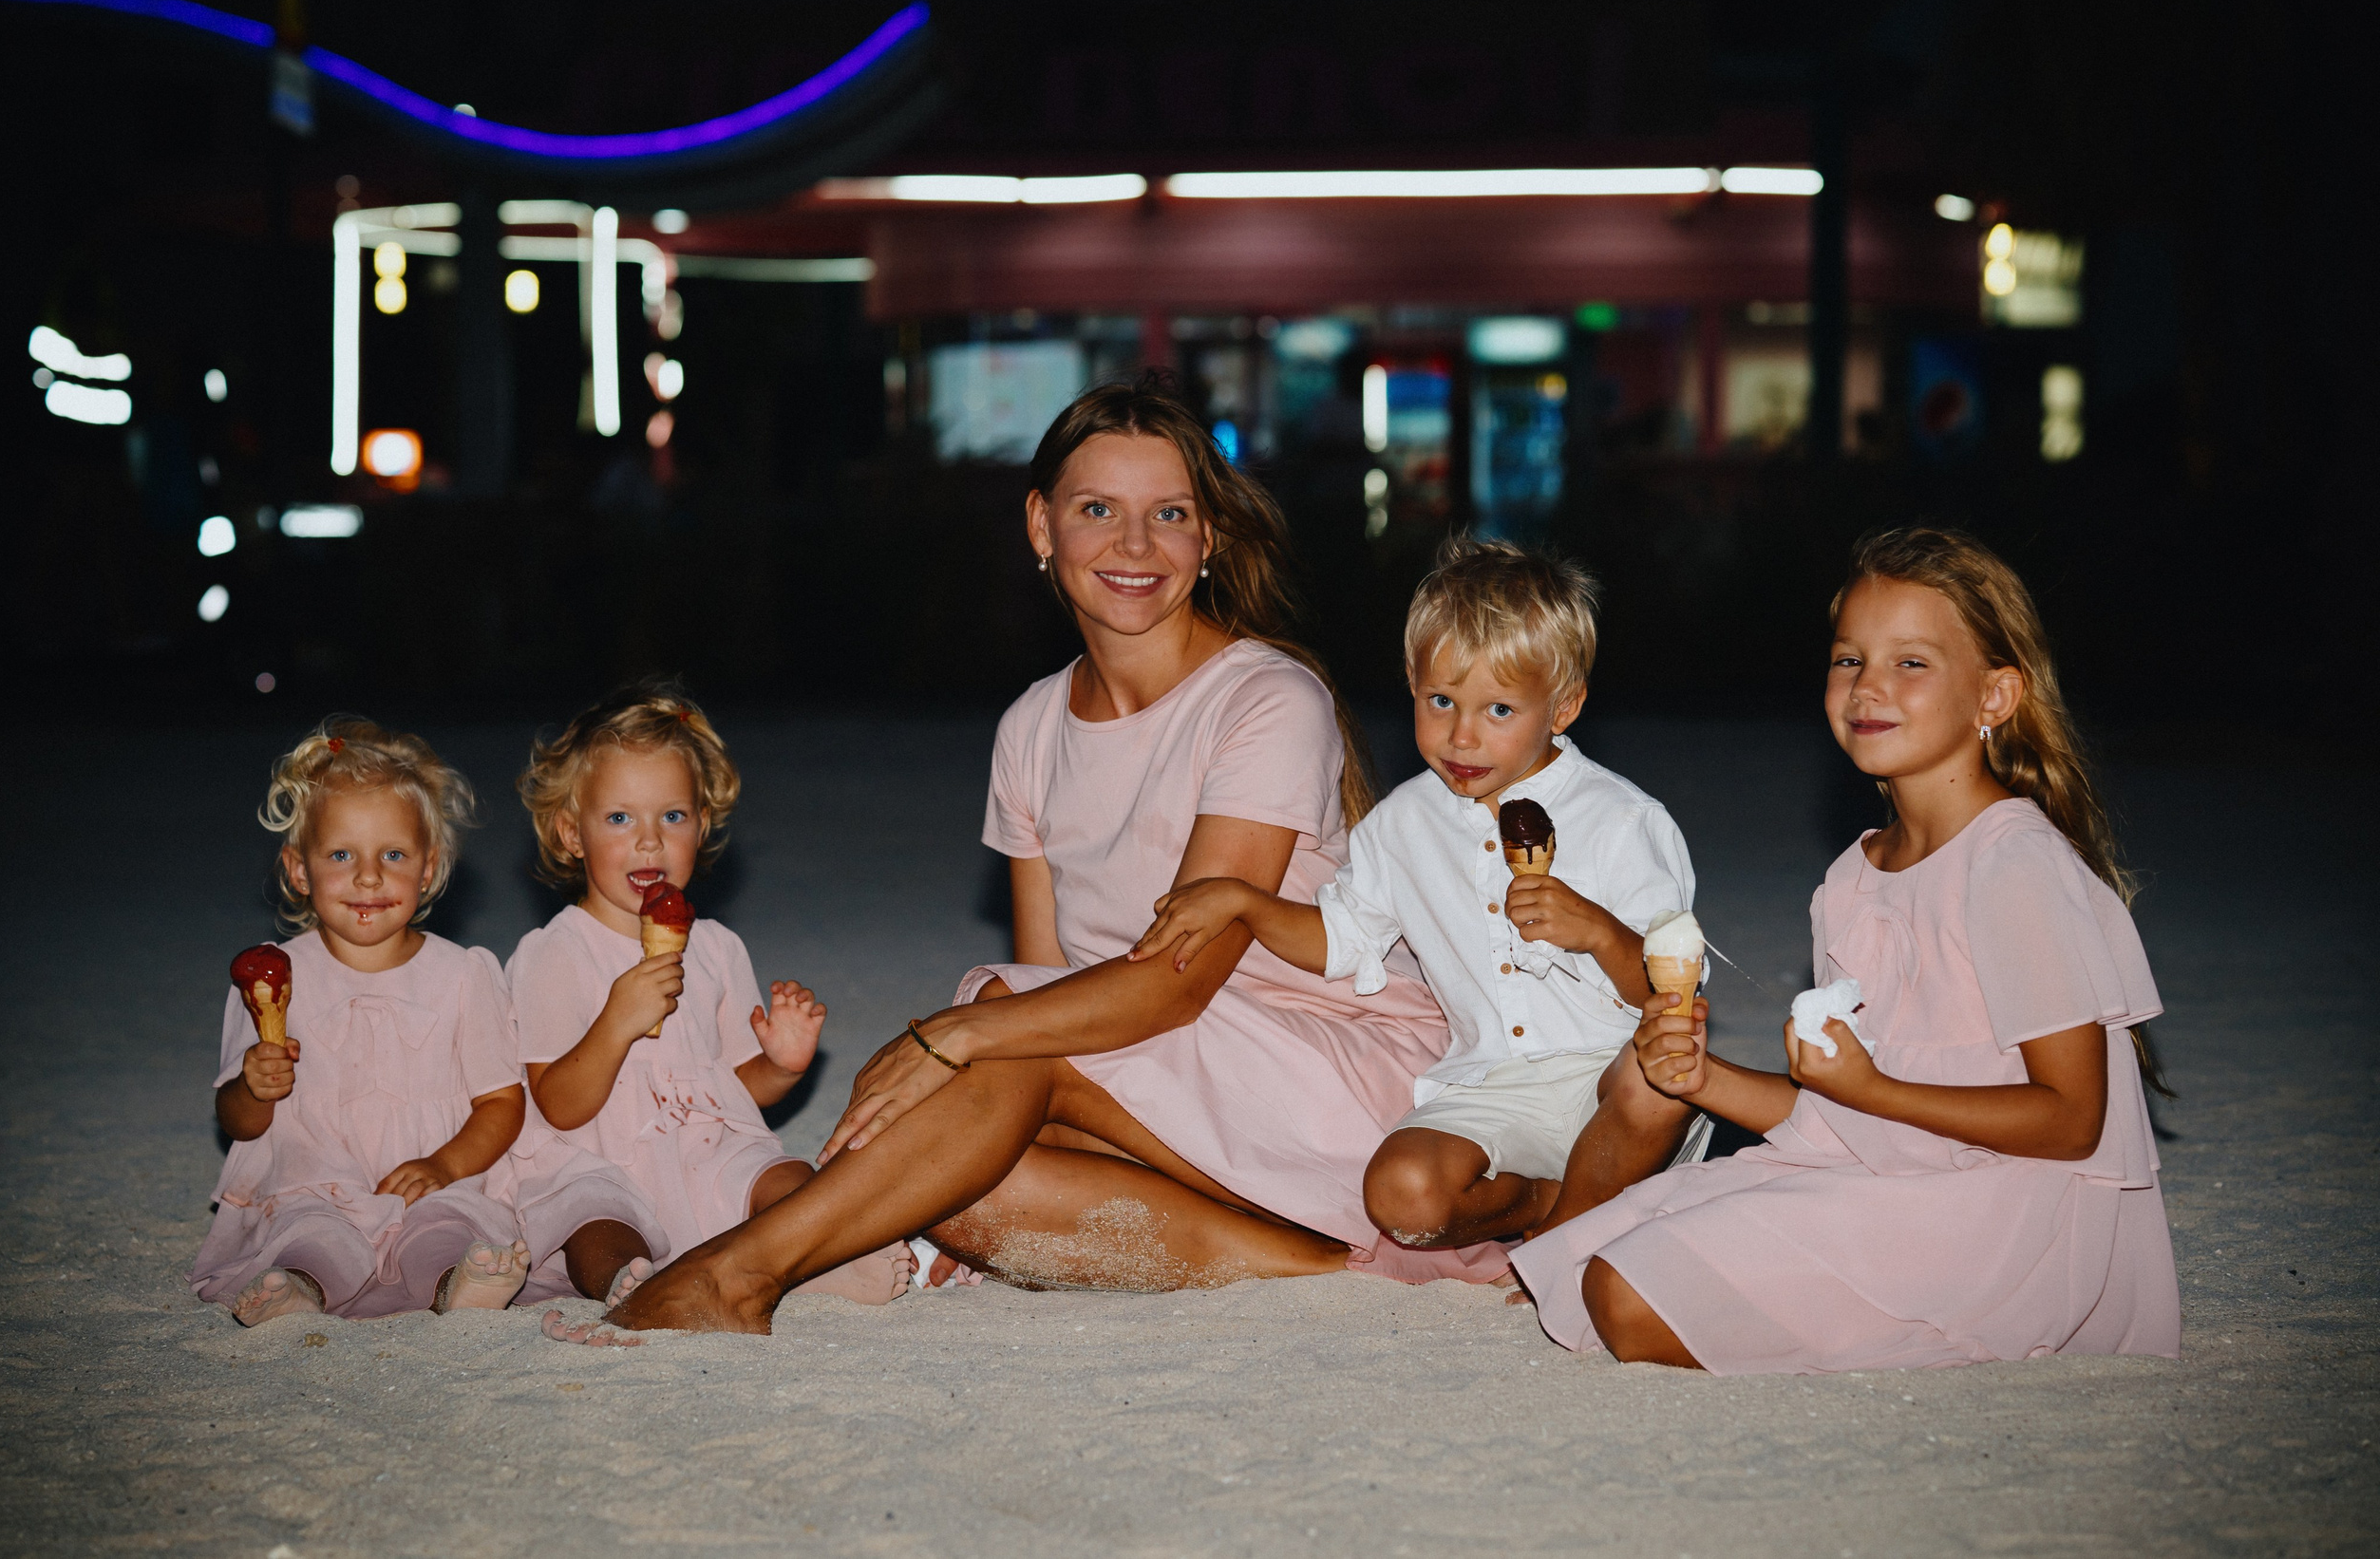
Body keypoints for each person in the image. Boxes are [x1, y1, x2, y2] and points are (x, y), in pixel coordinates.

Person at [566, 376, 1509, 1341]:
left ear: (1208, 539)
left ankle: (733, 1279)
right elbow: (1054, 976)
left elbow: (1169, 989)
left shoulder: (1267, 701)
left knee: (981, 1043)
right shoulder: (1028, 727)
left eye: (1169, 515)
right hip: (1162, 1082)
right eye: (1097, 509)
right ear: (1041, 526)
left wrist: (956, 1036)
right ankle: (1328, 1261)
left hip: (1338, 1080)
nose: (1134, 546)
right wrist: (972, 1061)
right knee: (948, 1181)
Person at [1507, 525, 2181, 1372]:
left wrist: (1876, 1087)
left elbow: (2076, 1121)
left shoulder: (2013, 863)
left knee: (1627, 1296)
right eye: (1848, 659)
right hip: (1899, 1176)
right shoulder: (1853, 879)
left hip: (2011, 1213)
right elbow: (1836, 1115)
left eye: (1912, 663)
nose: (1869, 687)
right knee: (1599, 1258)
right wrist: (1702, 1078)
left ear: (1996, 696)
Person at [1130, 537, 1708, 1251]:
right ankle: (1553, 1201)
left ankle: (1572, 1232)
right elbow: (1342, 937)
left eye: (1499, 710)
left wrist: (1596, 930)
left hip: (1614, 1075)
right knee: (1400, 1196)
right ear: (1410, 681)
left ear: (1563, 706)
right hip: (1493, 1081)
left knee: (1655, 1079)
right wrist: (1247, 902)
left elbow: (1671, 990)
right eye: (1441, 701)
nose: (1461, 736)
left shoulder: (1623, 820)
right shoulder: (1403, 823)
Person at [192, 720, 641, 1324]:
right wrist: (253, 1086)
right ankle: (298, 1287)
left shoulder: (462, 975)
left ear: (427, 870)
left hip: (439, 1169)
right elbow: (239, 1123)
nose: (369, 876)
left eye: (394, 855)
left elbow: (501, 1103)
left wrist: (446, 1166)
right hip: (319, 1176)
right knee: (314, 1233)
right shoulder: (274, 978)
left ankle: (458, 1283)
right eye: (341, 854)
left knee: (451, 1225)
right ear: (299, 869)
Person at [508, 684, 916, 1312]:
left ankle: (820, 1256)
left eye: (672, 816)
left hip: (703, 1145)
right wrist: (615, 1024)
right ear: (571, 833)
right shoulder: (553, 952)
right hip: (597, 1156)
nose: (650, 841)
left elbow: (731, 1087)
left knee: (786, 1177)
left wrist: (780, 1064)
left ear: (702, 825)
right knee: (591, 1222)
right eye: (620, 818)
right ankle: (630, 1283)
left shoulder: (717, 948)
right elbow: (559, 1104)